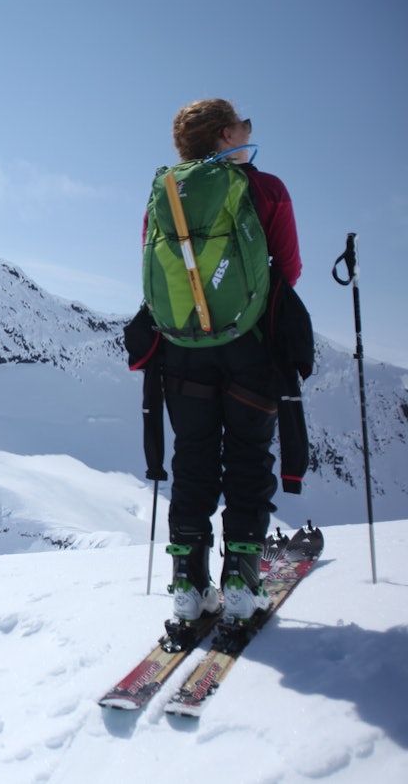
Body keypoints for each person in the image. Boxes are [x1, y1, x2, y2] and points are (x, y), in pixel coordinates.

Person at [155, 99, 302, 625]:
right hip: (250, 346)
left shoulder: (167, 193)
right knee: (247, 457)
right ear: (224, 135)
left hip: (183, 349)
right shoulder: (266, 189)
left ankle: (187, 585)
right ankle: (241, 580)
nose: (248, 130)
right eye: (243, 124)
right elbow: (288, 269)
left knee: (192, 458)